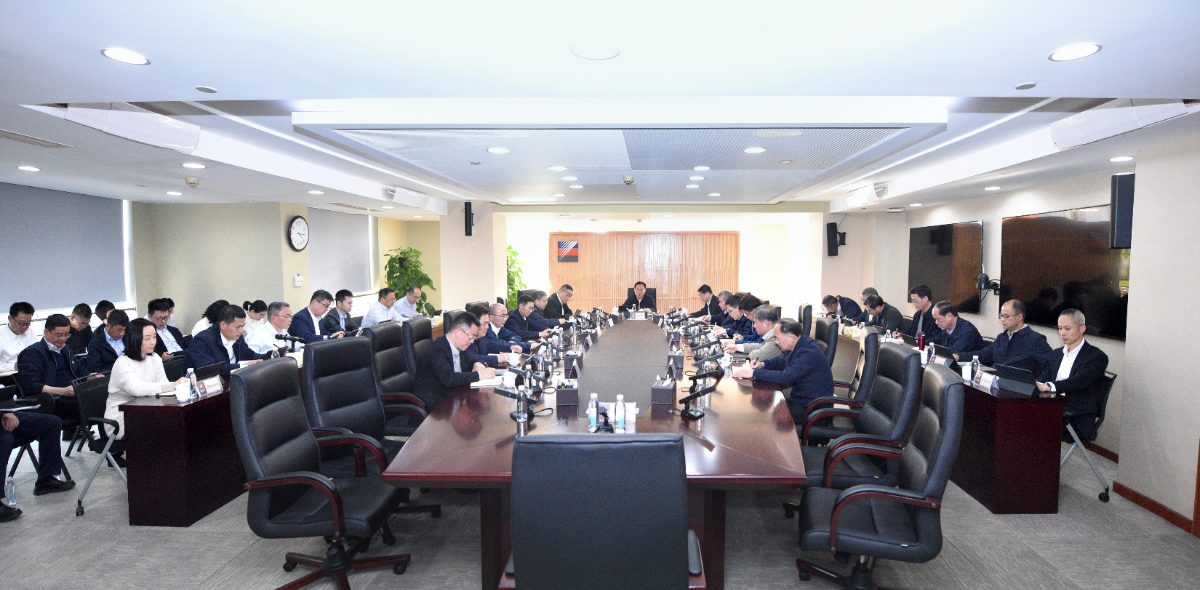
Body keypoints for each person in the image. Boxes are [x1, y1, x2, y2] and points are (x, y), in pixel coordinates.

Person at [105, 318, 189, 466]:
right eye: (147, 338)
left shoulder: (155, 358)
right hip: (121, 418)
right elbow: (137, 389)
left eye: (154, 337)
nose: (153, 342)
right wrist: (173, 385)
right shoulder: (122, 363)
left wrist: (181, 387)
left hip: (148, 410)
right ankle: (154, 472)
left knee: (179, 423)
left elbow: (163, 385)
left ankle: (173, 469)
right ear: (135, 339)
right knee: (164, 429)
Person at [731, 318, 835, 423]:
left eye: (777, 338)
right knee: (761, 414)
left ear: (791, 337)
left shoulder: (808, 353)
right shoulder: (800, 344)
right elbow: (782, 360)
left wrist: (754, 373)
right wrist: (763, 364)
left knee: (764, 418)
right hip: (802, 400)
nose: (776, 342)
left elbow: (786, 377)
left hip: (812, 409)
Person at [1036, 309, 1110, 441]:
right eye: (1060, 328)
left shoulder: (1097, 357)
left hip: (1074, 415)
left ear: (1082, 328)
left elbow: (1078, 381)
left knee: (1025, 421)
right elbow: (1045, 375)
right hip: (1051, 406)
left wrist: (1049, 386)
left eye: (1067, 328)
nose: (1062, 333)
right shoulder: (1056, 354)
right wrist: (1034, 383)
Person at [0, 406, 75, 518]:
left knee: (51, 423)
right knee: (5, 439)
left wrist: (7, 411)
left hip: (7, 412)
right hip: (3, 416)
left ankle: (46, 480)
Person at [412, 312, 495, 409]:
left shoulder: (459, 347)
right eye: (471, 337)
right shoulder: (437, 350)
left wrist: (476, 363)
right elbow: (449, 378)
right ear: (458, 332)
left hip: (453, 399)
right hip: (435, 407)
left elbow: (469, 359)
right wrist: (479, 375)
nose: (472, 341)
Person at [16, 314, 81, 431]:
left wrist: (92, 377)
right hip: (53, 400)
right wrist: (63, 391)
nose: (63, 339)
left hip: (73, 394)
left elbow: (80, 370)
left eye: (67, 335)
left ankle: (107, 437)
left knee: (103, 394)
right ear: (46, 332)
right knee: (98, 402)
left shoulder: (66, 349)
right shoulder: (32, 353)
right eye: (59, 335)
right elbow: (31, 386)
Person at [964, 299, 1053, 374]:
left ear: (1019, 317)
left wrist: (1039, 383)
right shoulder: (1002, 337)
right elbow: (983, 354)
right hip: (994, 379)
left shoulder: (1035, 339)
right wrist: (958, 357)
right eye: (1001, 316)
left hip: (1016, 384)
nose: (1002, 319)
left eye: (1006, 316)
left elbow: (1051, 364)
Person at [185, 305, 269, 376]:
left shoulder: (237, 337)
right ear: (223, 325)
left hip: (232, 380)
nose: (241, 330)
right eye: (238, 327)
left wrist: (270, 357)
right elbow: (210, 370)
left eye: (242, 326)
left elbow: (250, 355)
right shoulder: (202, 341)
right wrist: (242, 366)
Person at [86, 309, 129, 374]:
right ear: (108, 326)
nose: (122, 334)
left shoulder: (129, 337)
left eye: (124, 330)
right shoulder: (96, 344)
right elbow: (95, 369)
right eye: (119, 330)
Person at [1, 302, 38, 372]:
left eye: (28, 323)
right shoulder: (1, 336)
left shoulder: (30, 332)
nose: (24, 327)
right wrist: (13, 366)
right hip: (8, 375)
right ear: (10, 319)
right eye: (20, 323)